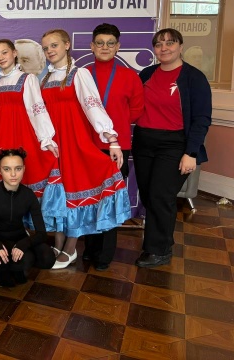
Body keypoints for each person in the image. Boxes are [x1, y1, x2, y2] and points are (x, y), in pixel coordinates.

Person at [40, 29, 131, 269]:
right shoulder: (45, 78)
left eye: (54, 45)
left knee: (75, 190)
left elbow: (94, 106)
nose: (50, 51)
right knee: (59, 194)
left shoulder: (79, 74)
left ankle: (70, 248)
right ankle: (58, 243)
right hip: (54, 145)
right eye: (46, 47)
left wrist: (111, 139)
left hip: (74, 141)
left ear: (67, 45)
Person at [133, 28, 212, 268]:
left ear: (180, 46)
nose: (164, 48)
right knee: (148, 195)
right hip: (144, 141)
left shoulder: (194, 77)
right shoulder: (146, 74)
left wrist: (191, 153)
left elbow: (201, 119)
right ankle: (157, 242)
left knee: (161, 196)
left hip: (174, 144)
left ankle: (159, 250)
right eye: (159, 44)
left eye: (170, 43)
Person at [83, 23, 144, 271]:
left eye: (110, 43)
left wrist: (113, 124)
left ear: (118, 47)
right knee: (89, 197)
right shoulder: (83, 74)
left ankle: (105, 254)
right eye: (100, 43)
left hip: (115, 147)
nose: (105, 47)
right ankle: (90, 248)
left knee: (109, 200)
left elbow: (137, 110)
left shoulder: (130, 76)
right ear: (92, 46)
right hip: (87, 146)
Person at [0, 40, 61, 203]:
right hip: (1, 135)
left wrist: (46, 138)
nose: (1, 58)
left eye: (4, 53)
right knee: (4, 172)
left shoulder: (28, 79)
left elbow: (37, 109)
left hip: (22, 133)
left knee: (26, 168)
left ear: (14, 53)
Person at [0, 148, 56, 287]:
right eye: (7, 169)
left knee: (47, 258)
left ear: (23, 169)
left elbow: (42, 233)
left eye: (18, 169)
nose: (13, 174)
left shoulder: (28, 195)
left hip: (18, 237)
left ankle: (14, 266)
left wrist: (24, 244)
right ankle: (6, 268)